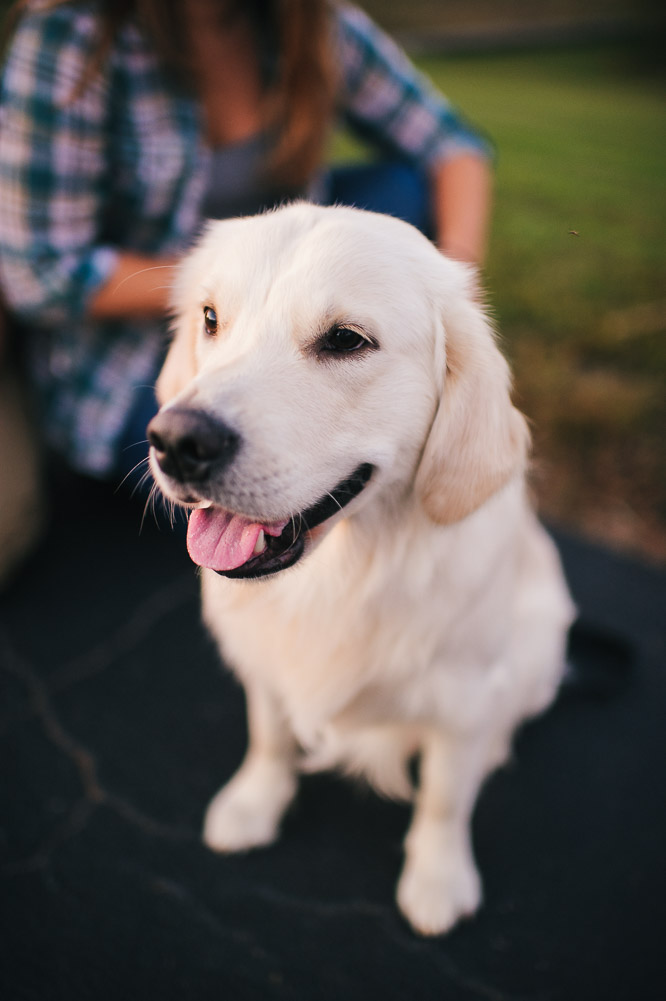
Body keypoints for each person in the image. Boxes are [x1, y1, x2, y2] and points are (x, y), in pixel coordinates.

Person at [0, 0, 493, 490]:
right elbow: (38, 273)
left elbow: (453, 146)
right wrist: (230, 292)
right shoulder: (70, 36)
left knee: (403, 186)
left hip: (292, 301)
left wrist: (452, 292)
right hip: (124, 351)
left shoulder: (317, 22)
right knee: (248, 494)